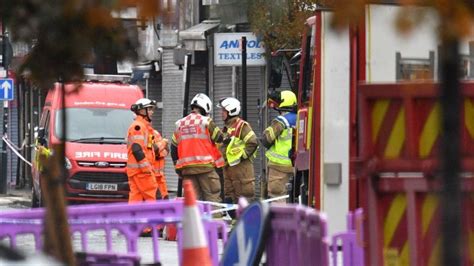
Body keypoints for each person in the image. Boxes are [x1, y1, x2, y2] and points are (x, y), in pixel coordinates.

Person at [170, 93, 225, 204]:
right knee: (212, 199)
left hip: (187, 170)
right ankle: (215, 220)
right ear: (205, 108)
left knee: (192, 202)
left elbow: (173, 148)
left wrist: (178, 167)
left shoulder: (179, 124)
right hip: (206, 169)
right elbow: (219, 138)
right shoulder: (206, 121)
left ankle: (194, 222)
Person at [217, 97, 258, 205]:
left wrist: (241, 157)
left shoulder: (242, 126)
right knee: (230, 199)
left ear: (231, 110)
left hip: (242, 171)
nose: (221, 113)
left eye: (223, 111)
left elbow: (253, 142)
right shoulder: (226, 128)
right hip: (229, 171)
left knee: (244, 199)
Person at [260, 90, 297, 203]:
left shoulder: (281, 121)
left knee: (277, 197)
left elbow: (266, 139)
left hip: (278, 167)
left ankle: (280, 220)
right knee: (291, 197)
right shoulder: (301, 117)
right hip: (295, 165)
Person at [126, 98, 158, 203]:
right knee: (151, 197)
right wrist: (147, 169)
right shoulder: (138, 126)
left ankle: (133, 218)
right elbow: (137, 149)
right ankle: (154, 218)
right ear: (142, 111)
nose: (152, 112)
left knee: (136, 199)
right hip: (142, 172)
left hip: (138, 171)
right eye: (149, 109)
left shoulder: (142, 126)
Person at [152, 129, 169, 199]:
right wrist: (164, 142)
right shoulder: (146, 134)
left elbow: (167, 150)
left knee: (164, 197)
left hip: (160, 176)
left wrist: (159, 154)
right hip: (151, 175)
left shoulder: (156, 133)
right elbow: (154, 150)